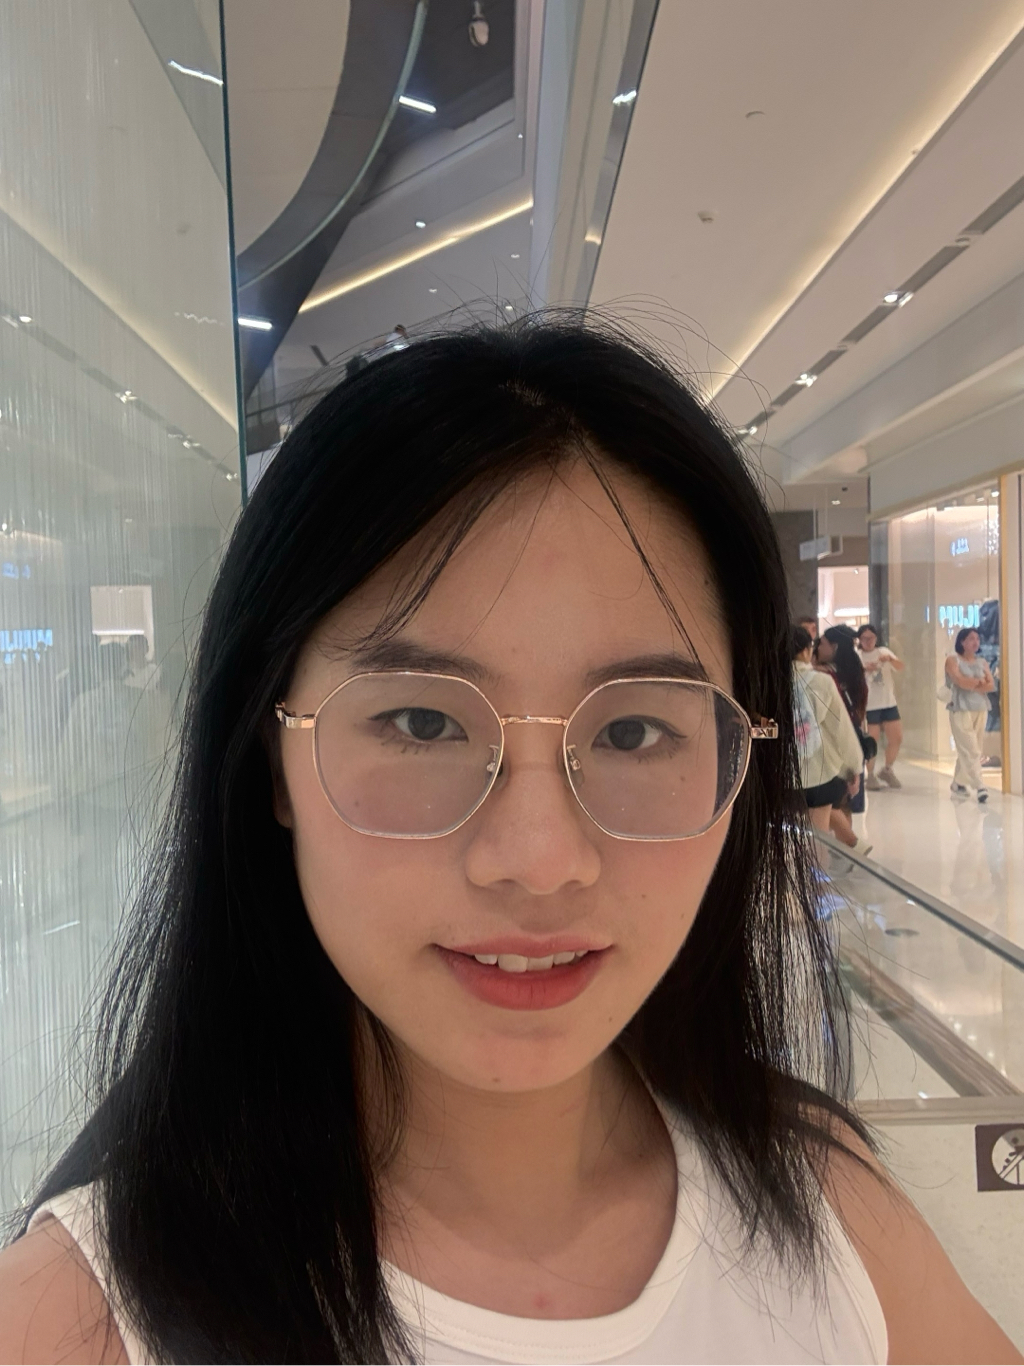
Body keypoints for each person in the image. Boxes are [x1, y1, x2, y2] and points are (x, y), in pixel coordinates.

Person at [1, 320, 1017, 1365]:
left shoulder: (831, 1215)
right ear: (272, 760)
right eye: (423, 722)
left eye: (633, 731)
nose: (540, 859)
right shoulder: (73, 1324)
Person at [792, 628, 869, 853]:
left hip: (781, 776)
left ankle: (854, 846)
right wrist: (854, 766)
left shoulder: (767, 682)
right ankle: (829, 868)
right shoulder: (821, 682)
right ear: (806, 651)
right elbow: (840, 728)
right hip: (818, 773)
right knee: (817, 841)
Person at [814, 627, 871, 853]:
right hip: (853, 739)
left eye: (822, 643)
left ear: (834, 646)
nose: (818, 648)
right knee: (843, 800)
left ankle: (850, 845)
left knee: (827, 802)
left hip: (831, 743)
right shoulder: (855, 672)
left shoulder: (823, 676)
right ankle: (846, 850)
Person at [945, 626, 996, 803]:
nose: (975, 642)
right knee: (970, 748)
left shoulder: (982, 662)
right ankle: (980, 786)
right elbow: (959, 681)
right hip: (960, 708)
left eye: (977, 639)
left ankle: (959, 783)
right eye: (971, 639)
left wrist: (973, 683)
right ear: (962, 642)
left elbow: (991, 685)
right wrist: (979, 682)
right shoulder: (952, 660)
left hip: (980, 708)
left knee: (973, 748)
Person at [855, 625, 904, 790]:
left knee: (896, 737)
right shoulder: (857, 656)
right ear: (860, 640)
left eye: (871, 638)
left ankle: (887, 769)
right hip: (869, 705)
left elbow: (900, 667)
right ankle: (870, 775)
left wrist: (889, 659)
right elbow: (851, 676)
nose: (868, 641)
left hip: (888, 702)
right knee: (872, 741)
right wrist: (864, 669)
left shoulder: (883, 652)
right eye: (865, 638)